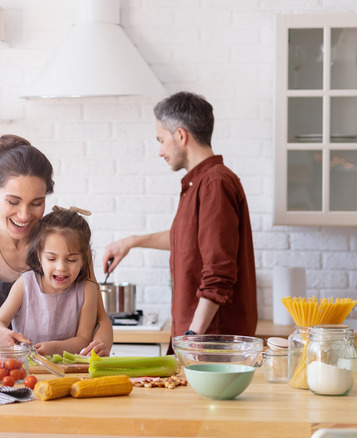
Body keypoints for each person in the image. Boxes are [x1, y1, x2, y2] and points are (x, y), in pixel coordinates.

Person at [102, 91, 257, 350]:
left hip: (210, 341)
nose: (160, 151)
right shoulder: (202, 183)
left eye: (161, 140)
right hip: (200, 339)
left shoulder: (214, 184)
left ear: (181, 136)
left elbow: (218, 273)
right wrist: (130, 242)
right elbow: (187, 238)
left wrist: (190, 336)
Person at [0, 134, 113, 360]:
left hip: (52, 365)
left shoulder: (62, 241)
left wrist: (100, 345)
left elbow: (101, 319)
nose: (24, 215)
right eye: (13, 202)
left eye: (37, 203)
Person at [0, 207, 99, 356]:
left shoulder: (87, 290)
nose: (61, 267)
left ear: (83, 260)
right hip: (26, 370)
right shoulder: (25, 284)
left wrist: (54, 348)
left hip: (67, 372)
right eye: (51, 258)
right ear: (39, 256)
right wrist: (7, 336)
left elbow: (84, 339)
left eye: (71, 260)